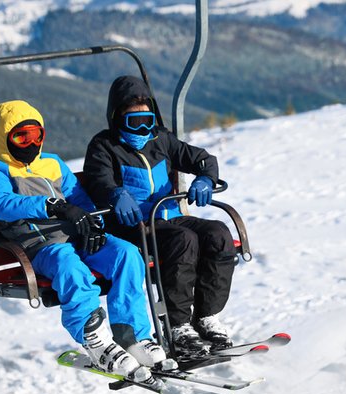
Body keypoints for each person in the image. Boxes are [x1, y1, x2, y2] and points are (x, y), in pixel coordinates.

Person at [0, 100, 177, 382]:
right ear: (4, 138)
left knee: (127, 255)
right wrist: (51, 206)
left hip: (77, 237)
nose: (31, 143)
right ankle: (94, 339)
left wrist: (92, 223)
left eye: (37, 136)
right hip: (42, 245)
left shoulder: (53, 163)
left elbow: (78, 197)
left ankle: (133, 336)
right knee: (70, 268)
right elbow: (2, 203)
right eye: (22, 137)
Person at [81, 76, 236, 357]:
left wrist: (205, 178)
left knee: (219, 234)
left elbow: (202, 159)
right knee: (184, 240)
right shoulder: (104, 146)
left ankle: (205, 316)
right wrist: (114, 194)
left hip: (169, 215)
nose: (142, 129)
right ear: (117, 119)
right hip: (135, 226)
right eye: (133, 122)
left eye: (147, 120)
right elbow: (97, 179)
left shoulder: (161, 139)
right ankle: (177, 325)